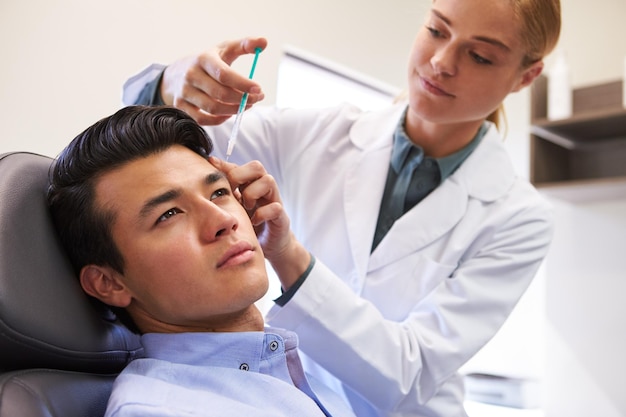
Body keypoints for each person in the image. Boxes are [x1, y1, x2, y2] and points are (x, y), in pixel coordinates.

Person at [121, 0, 560, 415]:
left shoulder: (519, 217)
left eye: (480, 55)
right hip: (294, 396)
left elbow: (409, 374)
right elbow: (156, 162)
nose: (442, 62)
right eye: (436, 30)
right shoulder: (322, 133)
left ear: (525, 77)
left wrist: (287, 254)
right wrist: (167, 87)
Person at [46, 105, 357, 417]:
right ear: (109, 282)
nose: (224, 219)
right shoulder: (158, 411)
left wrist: (284, 247)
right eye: (168, 214)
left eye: (218, 192)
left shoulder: (292, 372)